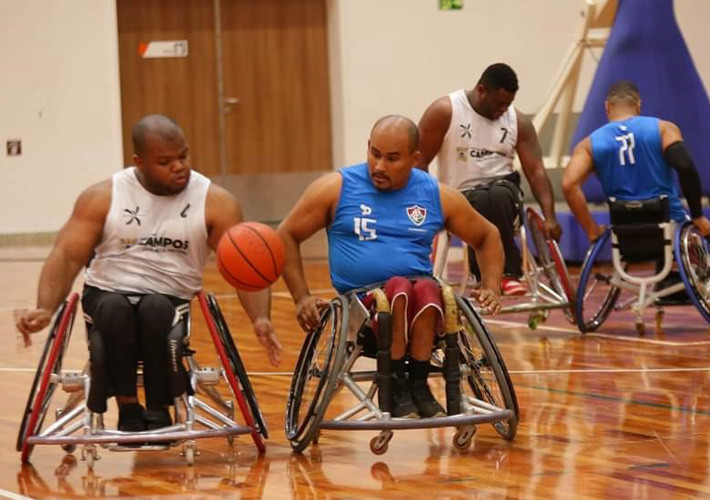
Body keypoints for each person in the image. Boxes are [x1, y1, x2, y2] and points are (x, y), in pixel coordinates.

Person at [15, 114, 282, 432]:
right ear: (139, 162)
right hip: (107, 292)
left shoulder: (216, 202)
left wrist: (260, 319)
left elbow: (245, 265)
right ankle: (128, 408)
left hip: (171, 298)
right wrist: (46, 308)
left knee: (156, 308)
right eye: (165, 161)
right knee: (114, 309)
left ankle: (159, 408)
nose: (179, 166)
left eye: (183, 155)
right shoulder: (103, 197)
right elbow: (66, 256)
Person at [277, 115, 504, 419]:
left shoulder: (436, 195)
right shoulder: (336, 188)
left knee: (426, 288)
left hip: (420, 299)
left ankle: (418, 383)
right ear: (368, 147)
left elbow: (488, 235)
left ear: (414, 159)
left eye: (392, 158)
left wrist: (490, 284)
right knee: (398, 288)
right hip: (362, 306)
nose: (380, 166)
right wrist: (301, 296)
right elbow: (285, 235)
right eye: (375, 154)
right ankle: (396, 381)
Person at [418, 63, 561, 296]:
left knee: (495, 195)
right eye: (498, 104)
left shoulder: (519, 122)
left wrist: (551, 217)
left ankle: (506, 274)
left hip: (505, 192)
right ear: (482, 90)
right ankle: (489, 274)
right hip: (460, 197)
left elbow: (535, 171)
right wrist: (429, 204)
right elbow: (419, 161)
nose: (503, 110)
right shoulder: (446, 111)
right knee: (482, 199)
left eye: (508, 104)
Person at [562, 81, 710, 296]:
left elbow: (568, 185)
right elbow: (686, 167)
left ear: (607, 108)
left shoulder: (588, 144)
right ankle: (684, 277)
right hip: (669, 224)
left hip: (625, 230)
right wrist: (698, 216)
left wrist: (591, 230)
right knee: (692, 238)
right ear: (639, 106)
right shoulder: (663, 129)